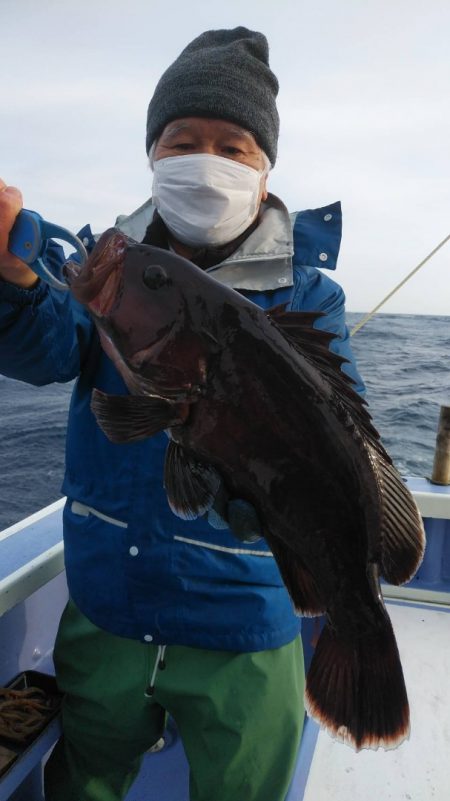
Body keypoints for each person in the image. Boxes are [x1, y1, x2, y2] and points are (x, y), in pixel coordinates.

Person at [0, 27, 365, 801]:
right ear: (153, 156)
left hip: (245, 619)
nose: (206, 160)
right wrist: (14, 280)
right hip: (109, 602)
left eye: (233, 147)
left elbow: (341, 436)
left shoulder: (309, 296)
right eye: (183, 141)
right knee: (87, 779)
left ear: (264, 171)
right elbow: (48, 342)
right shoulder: (119, 265)